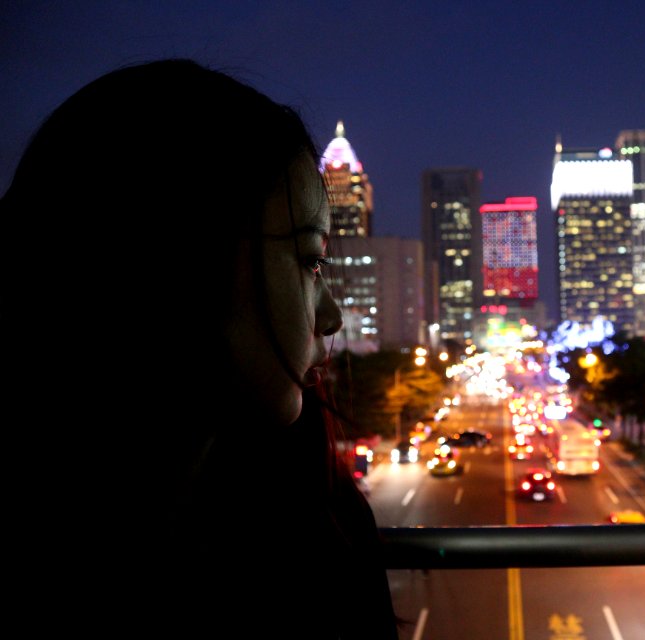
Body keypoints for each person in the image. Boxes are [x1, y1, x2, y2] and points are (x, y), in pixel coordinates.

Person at [1, 59, 399, 637]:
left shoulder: (322, 522)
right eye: (311, 260)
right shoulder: (312, 535)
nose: (333, 316)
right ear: (180, 259)